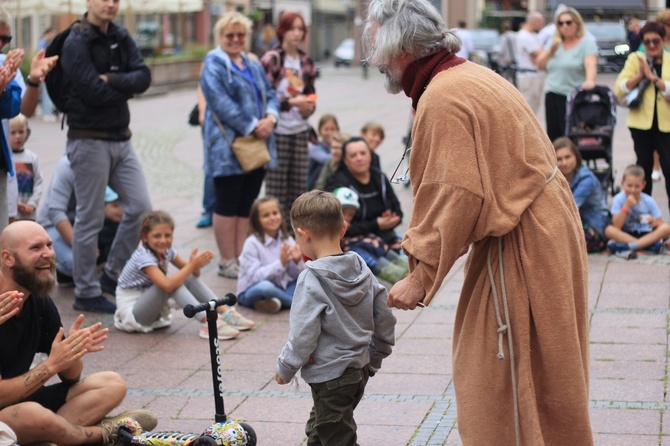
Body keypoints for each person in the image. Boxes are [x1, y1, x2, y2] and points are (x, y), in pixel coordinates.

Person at [364, 0, 593, 443]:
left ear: (402, 47)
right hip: (544, 226)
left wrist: (420, 275)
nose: (376, 63)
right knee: (547, 369)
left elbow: (456, 192)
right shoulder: (468, 73)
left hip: (525, 239)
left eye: (378, 50)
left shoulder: (443, 96)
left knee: (494, 374)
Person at [0, 221, 158, 445]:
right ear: (8, 258)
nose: (48, 254)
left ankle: (51, 436)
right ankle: (101, 433)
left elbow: (71, 378)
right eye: (36, 248)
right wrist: (51, 366)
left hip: (23, 404)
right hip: (9, 412)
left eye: (49, 245)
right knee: (32, 414)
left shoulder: (38, 300)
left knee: (111, 383)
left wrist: (71, 351)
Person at [276, 190, 396, 446]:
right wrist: (377, 355)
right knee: (321, 431)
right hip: (359, 369)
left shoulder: (311, 279)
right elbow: (384, 314)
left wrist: (286, 368)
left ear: (303, 234)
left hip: (330, 376)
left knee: (338, 438)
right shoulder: (361, 267)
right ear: (343, 229)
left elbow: (303, 335)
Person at [60, 0, 153, 314]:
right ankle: (86, 290)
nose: (110, 4)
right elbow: (90, 91)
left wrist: (112, 80)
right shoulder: (76, 41)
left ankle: (112, 273)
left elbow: (144, 76)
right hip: (88, 139)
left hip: (120, 138)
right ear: (89, 2)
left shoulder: (121, 35)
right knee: (90, 217)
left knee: (141, 207)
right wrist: (125, 87)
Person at [201, 12, 280, 280]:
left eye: (240, 35)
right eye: (229, 35)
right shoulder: (213, 63)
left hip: (257, 144)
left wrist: (271, 118)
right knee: (227, 202)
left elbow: (271, 93)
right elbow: (220, 102)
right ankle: (227, 259)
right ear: (220, 37)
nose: (235, 40)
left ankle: (241, 256)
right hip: (227, 146)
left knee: (246, 201)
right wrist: (252, 125)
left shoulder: (252, 62)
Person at [115, 210, 254, 338]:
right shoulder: (143, 257)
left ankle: (224, 312)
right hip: (133, 312)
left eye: (167, 235)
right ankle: (208, 322)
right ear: (145, 237)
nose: (163, 240)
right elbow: (167, 285)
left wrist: (195, 265)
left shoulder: (167, 251)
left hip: (149, 304)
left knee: (182, 277)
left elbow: (193, 275)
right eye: (157, 236)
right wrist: (192, 265)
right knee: (173, 283)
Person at [261, 11, 318, 226]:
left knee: (298, 190)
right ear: (282, 31)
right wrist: (290, 103)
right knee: (276, 189)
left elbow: (310, 94)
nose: (296, 34)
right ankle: (276, 234)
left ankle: (296, 235)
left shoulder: (305, 61)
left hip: (300, 130)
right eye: (292, 28)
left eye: (300, 29)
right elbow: (264, 98)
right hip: (278, 131)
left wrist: (308, 109)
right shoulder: (272, 59)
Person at [37, 157, 124, 286]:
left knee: (124, 227)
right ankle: (63, 272)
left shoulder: (104, 162)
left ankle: (99, 266)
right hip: (54, 225)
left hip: (85, 221)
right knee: (75, 263)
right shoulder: (67, 167)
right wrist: (82, 246)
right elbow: (56, 213)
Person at [614, 21, 670, 211]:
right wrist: (639, 75)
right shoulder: (635, 59)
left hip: (667, 126)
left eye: (656, 41)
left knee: (669, 169)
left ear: (663, 40)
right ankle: (645, 219)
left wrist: (653, 78)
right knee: (643, 170)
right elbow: (619, 90)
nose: (652, 45)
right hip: (641, 124)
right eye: (647, 42)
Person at [326, 137, 403, 249]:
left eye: (363, 153)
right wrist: (376, 225)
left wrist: (392, 218)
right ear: (346, 161)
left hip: (386, 236)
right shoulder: (338, 186)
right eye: (353, 155)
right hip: (356, 243)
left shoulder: (379, 177)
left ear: (370, 156)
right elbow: (340, 228)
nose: (359, 158)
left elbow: (398, 212)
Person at [536, 6, 597, 141]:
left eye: (568, 22)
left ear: (577, 24)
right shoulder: (554, 43)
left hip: (573, 96)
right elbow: (539, 65)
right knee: (554, 135)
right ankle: (558, 161)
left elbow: (591, 64)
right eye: (560, 23)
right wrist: (550, 52)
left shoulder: (586, 43)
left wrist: (589, 80)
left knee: (571, 135)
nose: (565, 26)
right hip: (552, 93)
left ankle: (572, 161)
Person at [237, 196, 304, 313]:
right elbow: (255, 278)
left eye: (275, 213)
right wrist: (281, 263)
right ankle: (292, 302)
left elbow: (294, 275)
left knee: (305, 281)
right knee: (266, 287)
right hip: (251, 290)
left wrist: (297, 261)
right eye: (266, 215)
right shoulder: (251, 243)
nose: (272, 218)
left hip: (279, 288)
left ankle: (271, 302)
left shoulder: (286, 239)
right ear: (257, 220)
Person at [334, 187, 408, 283]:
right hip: (355, 256)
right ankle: (402, 277)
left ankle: (408, 269)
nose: (346, 218)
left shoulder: (357, 229)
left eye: (350, 215)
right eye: (343, 212)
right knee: (359, 252)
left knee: (373, 241)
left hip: (374, 247)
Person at [554, 137, 609, 252]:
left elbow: (569, 209)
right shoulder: (557, 177)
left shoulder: (586, 179)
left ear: (576, 156)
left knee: (557, 243)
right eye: (559, 159)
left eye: (568, 157)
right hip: (574, 222)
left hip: (594, 226)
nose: (564, 163)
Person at [605, 165, 670, 255]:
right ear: (622, 183)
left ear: (643, 185)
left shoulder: (648, 200)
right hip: (627, 234)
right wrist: (626, 207)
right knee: (609, 230)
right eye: (629, 186)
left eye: (637, 186)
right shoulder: (618, 199)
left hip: (646, 233)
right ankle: (646, 246)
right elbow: (616, 225)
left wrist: (654, 222)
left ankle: (631, 246)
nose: (633, 190)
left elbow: (660, 222)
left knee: (666, 228)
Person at [9, 114, 42, 221]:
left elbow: (38, 183)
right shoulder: (6, 160)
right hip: (11, 215)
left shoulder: (32, 158)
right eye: (13, 132)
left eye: (21, 132)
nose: (17, 136)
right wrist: (14, 202)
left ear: (26, 132)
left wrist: (32, 203)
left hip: (29, 215)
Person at [515, 11, 546, 115]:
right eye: (540, 22)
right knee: (528, 108)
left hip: (534, 75)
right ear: (534, 22)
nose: (542, 25)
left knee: (534, 107)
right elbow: (538, 55)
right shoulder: (524, 36)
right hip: (529, 76)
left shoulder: (532, 35)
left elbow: (542, 53)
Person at [307, 113, 339, 190]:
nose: (330, 133)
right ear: (320, 131)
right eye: (326, 129)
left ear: (337, 130)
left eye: (333, 129)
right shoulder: (315, 148)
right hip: (316, 184)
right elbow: (326, 159)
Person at [38, 28, 57, 122]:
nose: (53, 35)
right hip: (44, 71)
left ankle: (47, 112)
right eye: (52, 33)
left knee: (45, 92)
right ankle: (47, 113)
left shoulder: (45, 43)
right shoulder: (43, 43)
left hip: (46, 70)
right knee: (46, 93)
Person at [498, 20, 517, 85]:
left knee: (506, 80)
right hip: (514, 59)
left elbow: (501, 50)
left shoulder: (503, 37)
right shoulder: (515, 35)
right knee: (513, 78)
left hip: (505, 61)